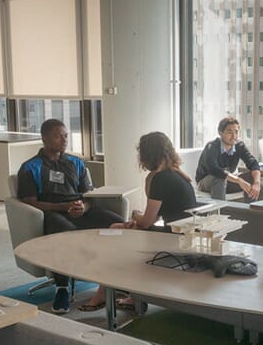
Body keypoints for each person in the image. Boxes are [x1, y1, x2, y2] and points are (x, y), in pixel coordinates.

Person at [16, 119, 124, 314]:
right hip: (51, 213)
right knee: (67, 233)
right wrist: (64, 206)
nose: (65, 139)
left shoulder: (76, 163)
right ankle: (62, 287)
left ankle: (114, 279)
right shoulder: (30, 167)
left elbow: (89, 195)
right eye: (59, 136)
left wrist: (84, 206)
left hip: (80, 210)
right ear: (44, 138)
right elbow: (30, 201)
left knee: (118, 223)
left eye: (66, 135)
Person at [80, 132, 198, 311]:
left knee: (114, 231)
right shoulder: (177, 175)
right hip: (182, 234)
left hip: (174, 238)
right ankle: (126, 292)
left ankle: (108, 291)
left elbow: (147, 221)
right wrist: (137, 222)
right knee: (119, 231)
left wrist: (135, 217)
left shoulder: (161, 178)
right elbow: (155, 218)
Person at [194, 116, 262, 202]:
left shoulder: (239, 145)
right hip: (206, 182)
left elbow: (253, 163)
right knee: (220, 177)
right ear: (220, 133)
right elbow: (214, 170)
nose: (234, 136)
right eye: (230, 132)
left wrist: (257, 183)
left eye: (236, 132)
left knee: (252, 176)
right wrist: (238, 180)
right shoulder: (211, 146)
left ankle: (249, 212)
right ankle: (219, 212)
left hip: (227, 181)